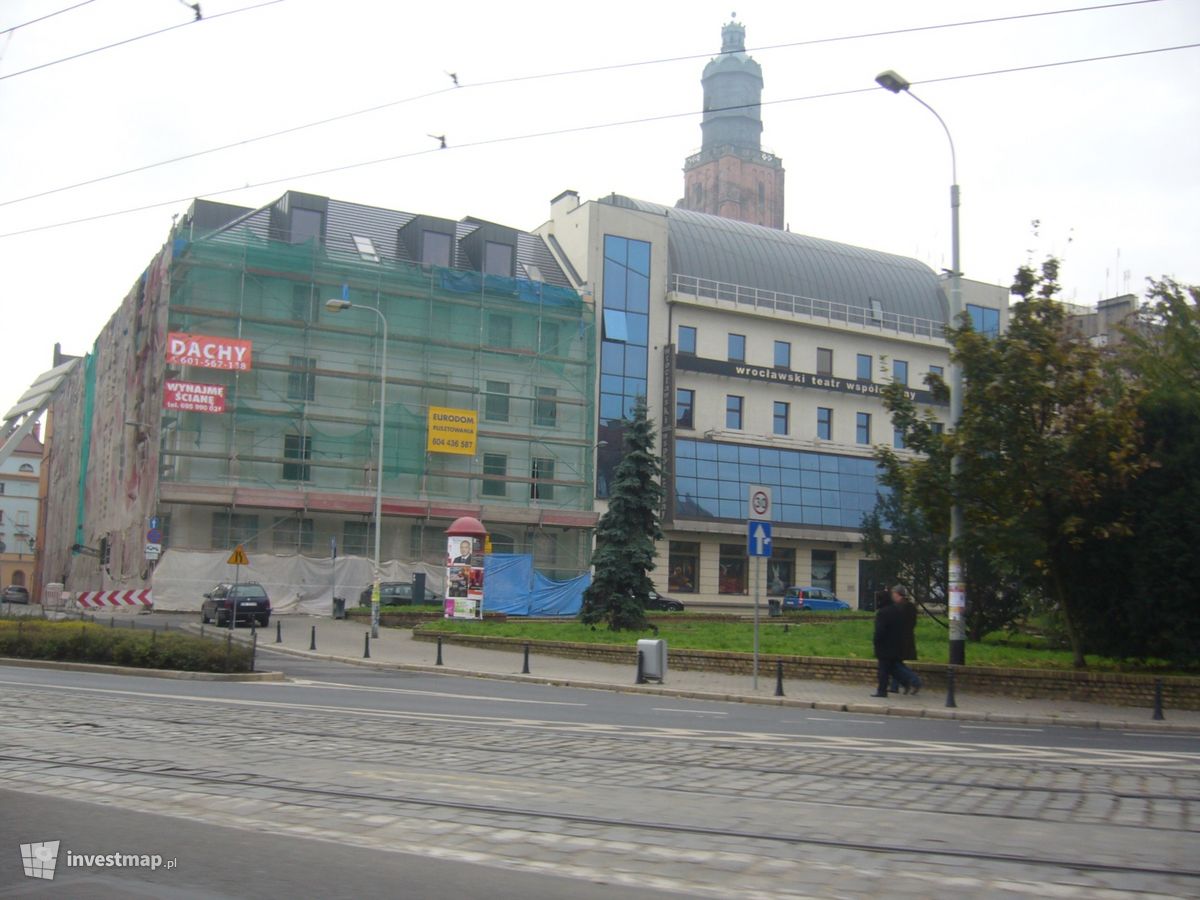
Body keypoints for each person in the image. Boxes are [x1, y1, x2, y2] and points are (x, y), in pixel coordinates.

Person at [871, 592, 904, 698]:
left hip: (884, 646)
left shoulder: (882, 612)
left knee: (884, 670)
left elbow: (880, 631)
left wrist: (876, 641)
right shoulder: (896, 610)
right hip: (896, 643)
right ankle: (909, 682)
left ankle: (882, 690)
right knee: (894, 667)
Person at [892, 585, 922, 696]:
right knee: (896, 663)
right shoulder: (909, 606)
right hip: (907, 638)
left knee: (895, 663)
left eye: (894, 594)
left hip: (900, 639)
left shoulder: (900, 607)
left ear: (898, 595)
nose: (893, 596)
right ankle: (896, 686)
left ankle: (914, 681)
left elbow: (898, 624)